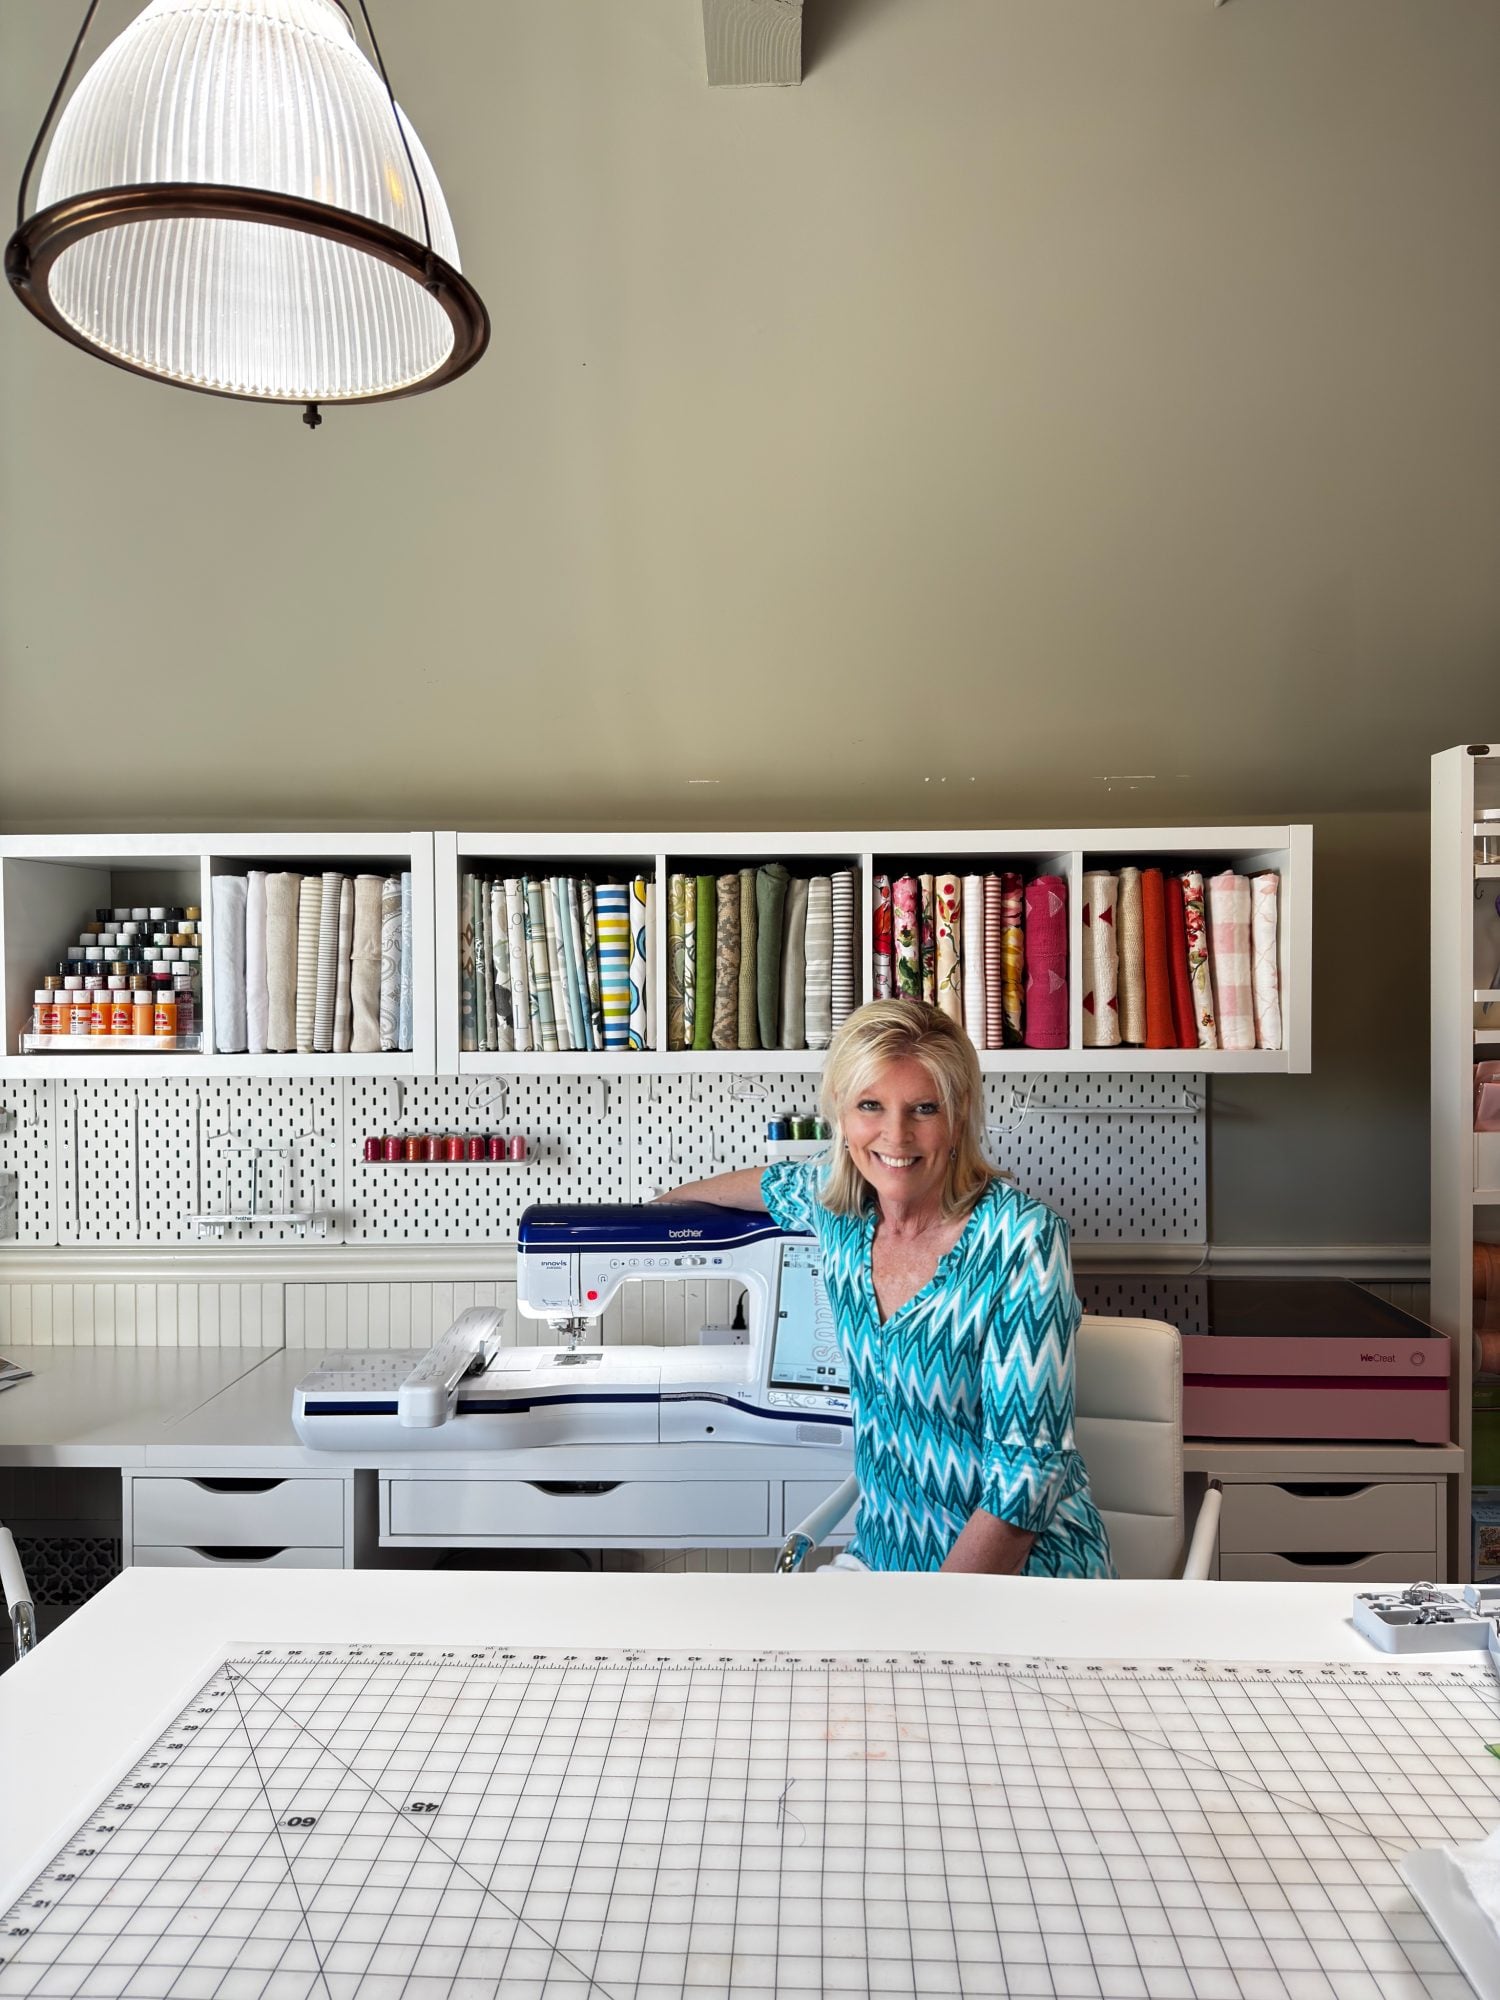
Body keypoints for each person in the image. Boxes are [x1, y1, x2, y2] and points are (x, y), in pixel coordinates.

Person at [657, 998, 1114, 1576]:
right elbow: (770, 1184)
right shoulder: (840, 1207)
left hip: (1018, 1577)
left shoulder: (1019, 1239)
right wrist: (665, 1204)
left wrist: (925, 1624)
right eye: (870, 1105)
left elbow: (1027, 1476)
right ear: (842, 1117)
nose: (896, 1136)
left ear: (959, 1114)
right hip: (885, 1555)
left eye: (924, 1108)